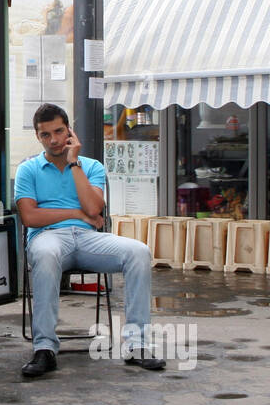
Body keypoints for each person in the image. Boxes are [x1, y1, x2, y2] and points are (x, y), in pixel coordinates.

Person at [15, 103, 165, 377]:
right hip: (48, 238)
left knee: (139, 252)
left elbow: (94, 209)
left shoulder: (91, 167)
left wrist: (74, 163)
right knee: (46, 255)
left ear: (70, 131)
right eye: (46, 134)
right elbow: (29, 217)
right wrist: (75, 212)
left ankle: (138, 345)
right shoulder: (28, 170)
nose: (54, 140)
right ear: (38, 137)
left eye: (59, 131)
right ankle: (45, 348)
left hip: (87, 238)